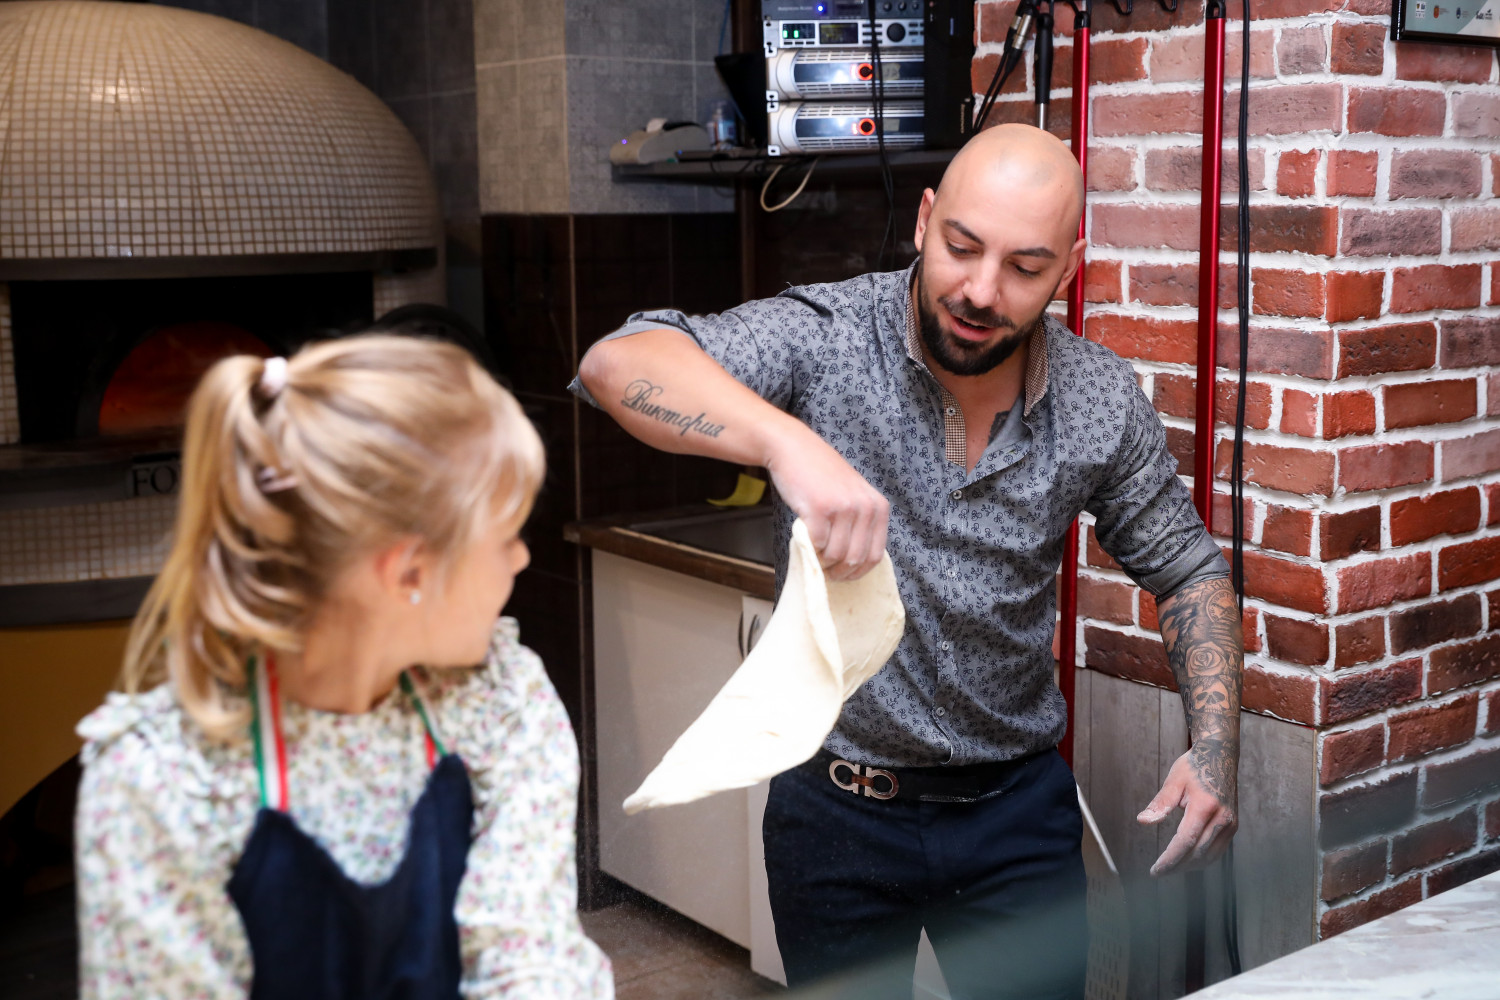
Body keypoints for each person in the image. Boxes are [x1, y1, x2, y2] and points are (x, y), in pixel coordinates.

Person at [572, 123, 1243, 999]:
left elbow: (1189, 569)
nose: (980, 290)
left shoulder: (1098, 398)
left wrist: (1218, 747)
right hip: (836, 813)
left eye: (1024, 268)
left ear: (1069, 270)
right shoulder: (828, 338)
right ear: (925, 221)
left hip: (1016, 819)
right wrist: (784, 444)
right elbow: (616, 363)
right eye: (962, 247)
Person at [75, 336, 614, 1000]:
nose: (521, 560)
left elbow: (531, 962)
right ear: (410, 572)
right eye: (507, 535)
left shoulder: (503, 704)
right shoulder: (163, 782)